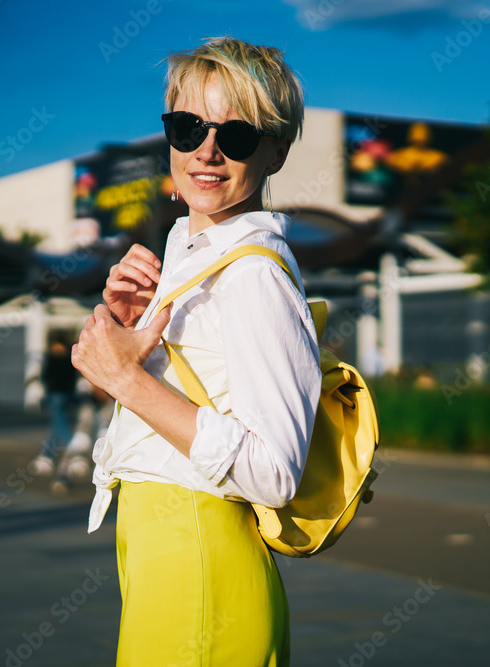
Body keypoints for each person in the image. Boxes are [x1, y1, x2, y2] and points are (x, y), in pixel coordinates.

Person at [71, 37, 320, 665]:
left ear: (276, 149)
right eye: (187, 127)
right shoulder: (189, 260)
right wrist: (136, 340)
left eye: (236, 136)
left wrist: (129, 380)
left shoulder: (252, 276)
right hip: (163, 551)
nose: (206, 151)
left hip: (201, 558)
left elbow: (274, 472)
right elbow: (172, 421)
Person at [30, 332, 78, 476]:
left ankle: (74, 446)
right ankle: (46, 456)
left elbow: (46, 376)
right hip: (67, 394)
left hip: (56, 394)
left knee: (59, 423)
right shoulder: (70, 356)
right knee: (56, 424)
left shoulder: (52, 357)